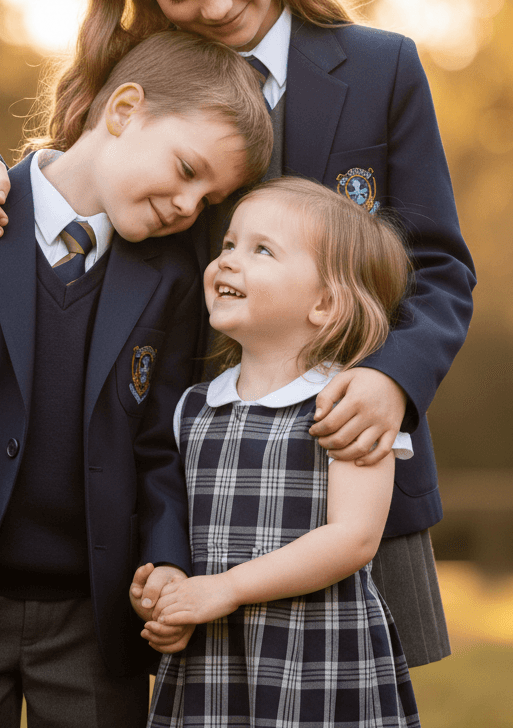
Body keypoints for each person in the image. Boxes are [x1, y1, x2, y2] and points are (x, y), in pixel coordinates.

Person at [0, 0, 476, 666]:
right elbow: (60, 199)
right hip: (187, 479)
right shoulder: (133, 80)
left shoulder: (380, 69)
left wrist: (393, 379)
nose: (214, 6)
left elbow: (438, 265)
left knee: (350, 695)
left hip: (350, 461)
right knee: (208, 702)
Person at [0, 31, 273, 728]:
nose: (188, 207)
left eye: (208, 197)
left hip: (94, 620)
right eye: (187, 169)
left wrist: (165, 559)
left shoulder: (171, 278)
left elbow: (161, 445)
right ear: (124, 110)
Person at [135, 177, 421, 727]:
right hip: (214, 660)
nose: (228, 261)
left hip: (315, 655)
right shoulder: (192, 407)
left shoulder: (351, 406)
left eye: (261, 250)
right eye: (228, 244)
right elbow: (175, 524)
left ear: (325, 303)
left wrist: (227, 589)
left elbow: (353, 538)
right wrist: (169, 591)